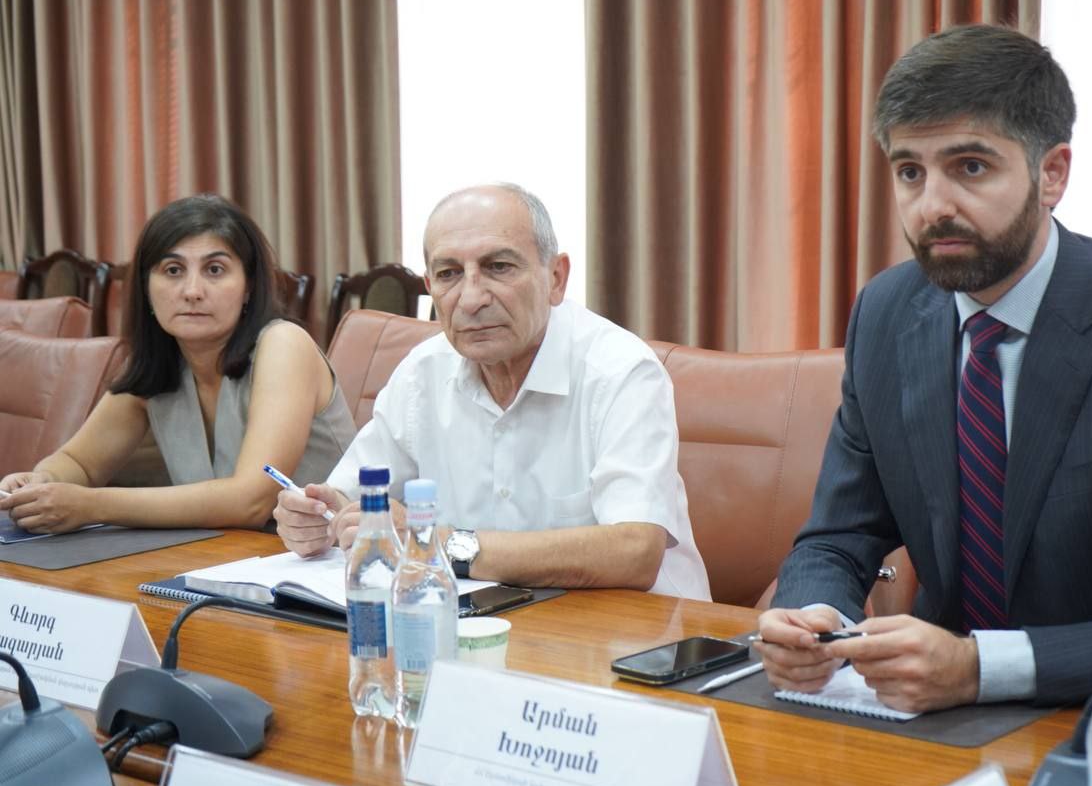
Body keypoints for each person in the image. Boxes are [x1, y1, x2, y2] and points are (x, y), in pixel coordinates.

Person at [756, 24, 1092, 712]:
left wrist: (977, 667)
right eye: (910, 172)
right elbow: (839, 535)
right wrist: (813, 616)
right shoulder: (885, 313)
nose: (933, 206)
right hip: (924, 716)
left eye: (970, 167)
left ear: (1052, 173)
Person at [273, 183, 711, 600]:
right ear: (430, 287)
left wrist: (436, 542)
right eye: (449, 274)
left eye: (499, 267)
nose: (471, 299)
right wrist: (322, 519)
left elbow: (635, 551)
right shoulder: (422, 372)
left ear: (556, 278)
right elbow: (353, 496)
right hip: (479, 622)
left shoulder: (621, 371)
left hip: (637, 634)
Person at [0, 194, 355, 531]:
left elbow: (252, 501)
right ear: (146, 288)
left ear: (248, 286)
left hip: (328, 559)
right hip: (223, 559)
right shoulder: (160, 363)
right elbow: (80, 463)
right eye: (173, 270)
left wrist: (91, 505)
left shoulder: (283, 345)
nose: (192, 291)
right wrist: (42, 481)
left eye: (215, 270)